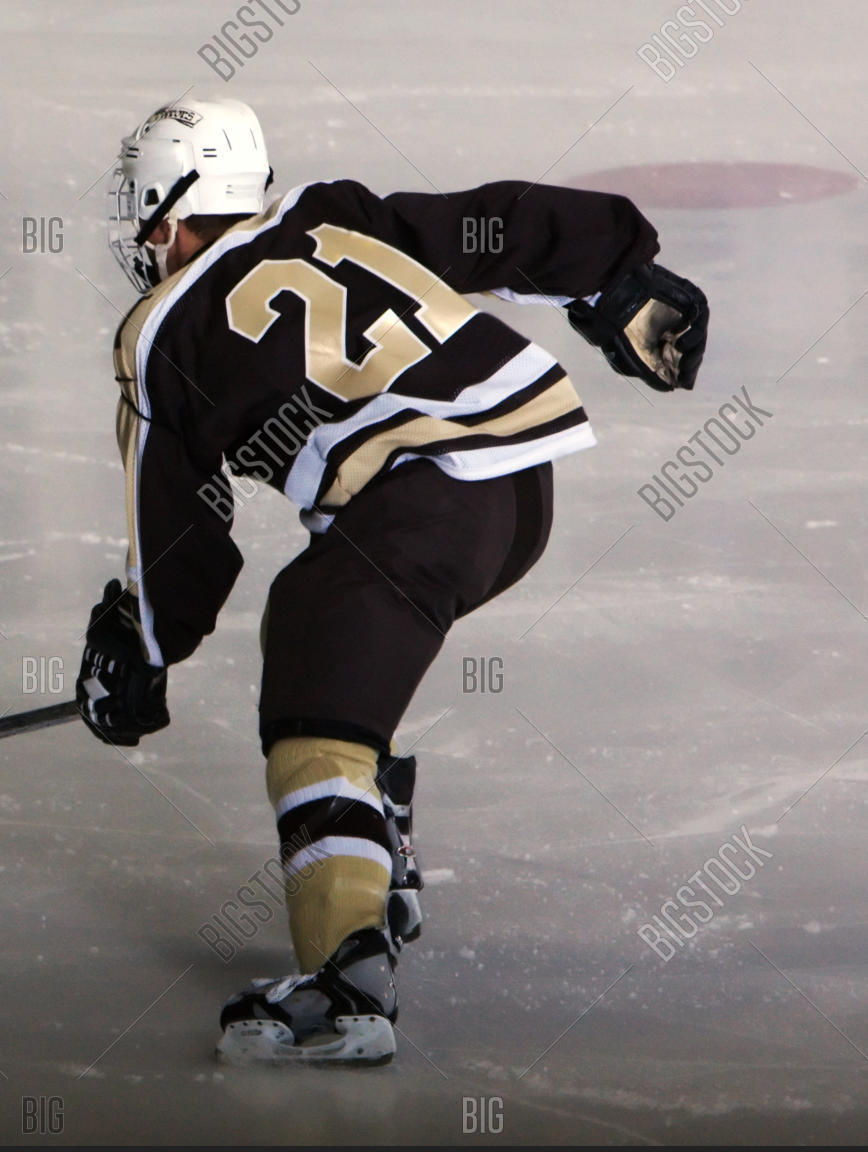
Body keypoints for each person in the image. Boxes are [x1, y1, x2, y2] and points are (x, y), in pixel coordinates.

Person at [76, 92, 708, 1064]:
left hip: (418, 502)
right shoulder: (333, 215)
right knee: (347, 628)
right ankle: (385, 845)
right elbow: (486, 227)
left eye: (142, 207)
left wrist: (139, 644)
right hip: (519, 486)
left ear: (171, 212)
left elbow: (178, 534)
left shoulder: (162, 331)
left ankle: (344, 981)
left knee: (311, 707)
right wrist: (617, 275)